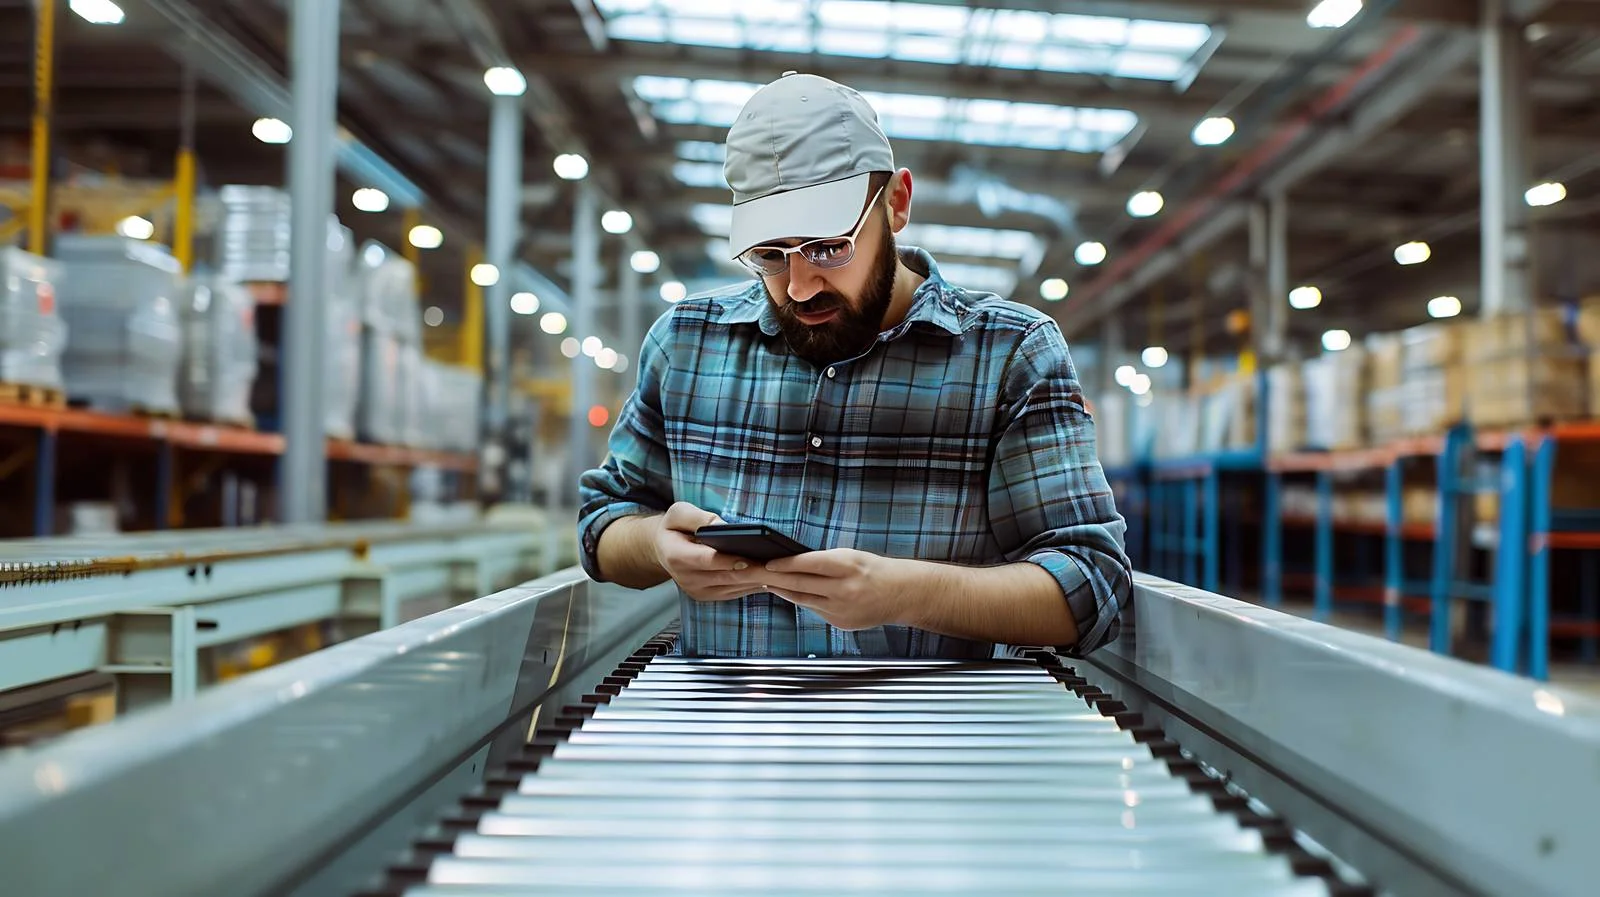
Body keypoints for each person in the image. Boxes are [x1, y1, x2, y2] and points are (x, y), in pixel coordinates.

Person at [577, 72, 1131, 659]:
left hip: (925, 742)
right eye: (769, 256)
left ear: (895, 204)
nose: (797, 285)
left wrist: (907, 594)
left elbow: (1092, 588)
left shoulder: (1008, 354)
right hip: (728, 740)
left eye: (826, 248)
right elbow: (604, 522)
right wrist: (657, 545)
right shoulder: (685, 343)